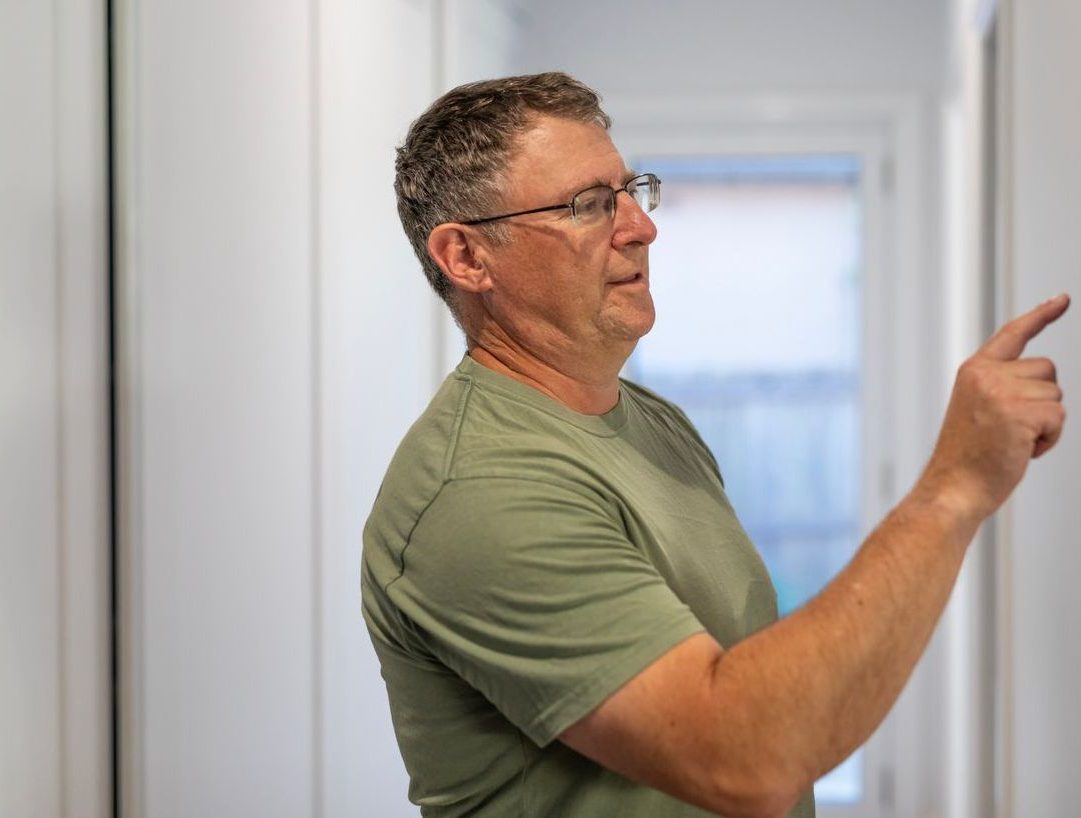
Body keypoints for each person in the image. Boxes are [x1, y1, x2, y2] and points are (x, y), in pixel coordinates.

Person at [361, 72, 1069, 818]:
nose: (640, 226)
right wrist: (953, 489)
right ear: (468, 259)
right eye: (589, 205)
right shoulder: (477, 491)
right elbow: (744, 759)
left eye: (631, 190)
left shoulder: (654, 423)